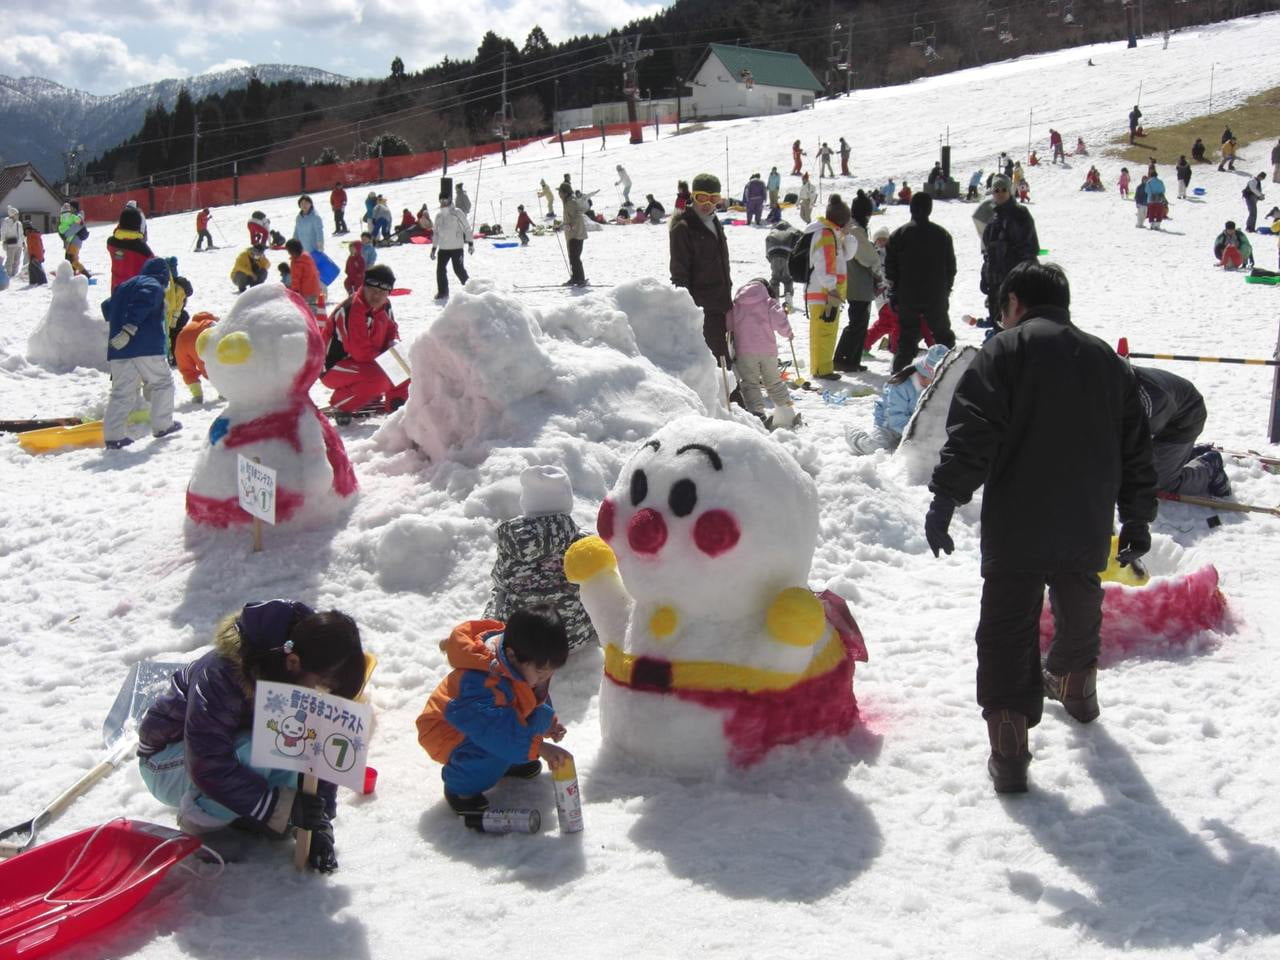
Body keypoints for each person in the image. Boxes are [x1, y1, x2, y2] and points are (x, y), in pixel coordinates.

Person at [925, 261, 1157, 794]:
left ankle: (1009, 746)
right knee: (1079, 599)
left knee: (1008, 624)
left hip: (1018, 520)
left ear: (1014, 304)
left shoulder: (1004, 351)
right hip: (1086, 517)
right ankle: (1078, 690)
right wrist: (1138, 515)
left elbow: (973, 433)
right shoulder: (1107, 360)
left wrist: (945, 497)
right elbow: (1135, 449)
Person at [138, 600, 364, 871]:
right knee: (260, 744)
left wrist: (319, 822)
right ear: (293, 662)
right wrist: (284, 808)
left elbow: (321, 749)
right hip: (169, 760)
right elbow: (207, 763)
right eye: (319, 690)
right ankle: (202, 824)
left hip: (222, 756)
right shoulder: (221, 674)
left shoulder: (301, 664)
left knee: (292, 741)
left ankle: (249, 813)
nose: (319, 700)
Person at [415, 605, 571, 818]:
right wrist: (539, 747)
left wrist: (549, 724)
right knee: (494, 748)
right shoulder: (480, 682)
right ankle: (460, 787)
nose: (544, 678)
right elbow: (494, 729)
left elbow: (530, 702)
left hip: (493, 723)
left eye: (550, 673)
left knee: (532, 723)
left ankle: (508, 762)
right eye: (541, 672)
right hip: (450, 732)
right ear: (512, 656)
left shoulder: (521, 661)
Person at [484, 465, 598, 652]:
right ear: (567, 502)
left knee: (499, 591)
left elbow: (500, 582)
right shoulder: (583, 542)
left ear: (526, 503)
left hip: (521, 640)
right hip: (573, 638)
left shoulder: (511, 543)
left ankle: (490, 634)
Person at [101, 257, 180, 449]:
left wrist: (120, 324)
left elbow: (106, 307)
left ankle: (113, 436)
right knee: (162, 383)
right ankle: (162, 425)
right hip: (146, 346)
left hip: (120, 348)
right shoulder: (153, 284)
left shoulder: (124, 286)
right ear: (164, 275)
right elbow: (145, 299)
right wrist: (130, 327)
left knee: (121, 392)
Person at [321, 263, 410, 416]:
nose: (377, 296)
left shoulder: (385, 305)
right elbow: (360, 352)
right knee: (380, 377)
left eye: (382, 292)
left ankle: (396, 402)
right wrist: (386, 361)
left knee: (403, 365)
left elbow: (392, 330)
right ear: (364, 286)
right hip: (332, 367)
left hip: (363, 361)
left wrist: (394, 347)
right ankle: (341, 401)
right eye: (373, 290)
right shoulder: (352, 309)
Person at [884, 192, 957, 374]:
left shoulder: (898, 235)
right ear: (930, 209)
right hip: (936, 294)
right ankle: (950, 372)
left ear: (911, 208)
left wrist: (895, 292)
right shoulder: (942, 235)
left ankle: (899, 377)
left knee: (907, 339)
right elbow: (951, 268)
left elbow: (890, 269)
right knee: (943, 336)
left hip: (907, 294)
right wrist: (946, 289)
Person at [669, 173, 734, 367]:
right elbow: (679, 274)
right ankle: (730, 396)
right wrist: (687, 310)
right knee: (717, 360)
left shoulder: (714, 222)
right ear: (693, 197)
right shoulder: (683, 227)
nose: (708, 204)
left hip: (721, 302)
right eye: (702, 197)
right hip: (702, 306)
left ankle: (728, 394)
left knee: (724, 354)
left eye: (713, 199)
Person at [1134, 366, 1230, 497]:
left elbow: (1133, 451)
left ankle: (1210, 467)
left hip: (1186, 416)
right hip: (1168, 410)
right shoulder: (1108, 380)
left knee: (1159, 484)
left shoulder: (1148, 397)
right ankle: (1184, 456)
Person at [847, 343, 950, 454]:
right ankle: (854, 434)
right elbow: (895, 418)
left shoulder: (936, 385)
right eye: (935, 379)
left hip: (915, 427)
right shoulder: (901, 386)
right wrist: (916, 434)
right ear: (925, 374)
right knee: (874, 447)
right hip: (890, 424)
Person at [726, 279, 797, 429]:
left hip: (745, 353)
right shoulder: (768, 303)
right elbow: (780, 319)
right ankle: (787, 412)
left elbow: (728, 324)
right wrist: (788, 333)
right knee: (774, 382)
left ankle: (758, 414)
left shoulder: (737, 306)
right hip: (768, 352)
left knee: (750, 384)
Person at [802, 194, 853, 381]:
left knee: (827, 331)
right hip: (824, 292)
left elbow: (846, 256)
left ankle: (822, 366)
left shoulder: (832, 233)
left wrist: (846, 235)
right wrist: (831, 287)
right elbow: (825, 263)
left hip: (827, 291)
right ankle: (821, 369)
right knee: (823, 332)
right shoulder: (825, 234)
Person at [980, 174, 1039, 327]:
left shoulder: (1021, 214)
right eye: (996, 190)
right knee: (997, 322)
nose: (1000, 193)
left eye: (1003, 190)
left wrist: (1021, 274)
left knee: (1017, 323)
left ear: (1010, 191)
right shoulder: (991, 216)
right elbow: (986, 250)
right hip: (995, 281)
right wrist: (985, 274)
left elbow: (1031, 248)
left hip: (1016, 281)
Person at [835, 193, 880, 372]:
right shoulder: (855, 230)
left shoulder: (851, 227)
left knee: (859, 322)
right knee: (857, 322)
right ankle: (843, 358)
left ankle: (851, 359)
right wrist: (878, 270)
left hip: (855, 281)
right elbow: (868, 257)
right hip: (858, 282)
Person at [432, 182, 473, 301]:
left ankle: (470, 289)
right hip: (443, 248)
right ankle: (442, 292)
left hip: (456, 247)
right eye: (441, 201)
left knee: (458, 269)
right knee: (440, 270)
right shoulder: (438, 216)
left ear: (450, 199)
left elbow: (467, 228)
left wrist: (470, 243)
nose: (443, 202)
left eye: (445, 200)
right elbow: (436, 233)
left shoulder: (457, 213)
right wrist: (434, 248)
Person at [174, 311, 218, 404]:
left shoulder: (190, 325)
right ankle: (223, 391)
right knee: (212, 365)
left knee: (187, 370)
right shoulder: (210, 323)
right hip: (200, 339)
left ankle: (197, 394)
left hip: (181, 339)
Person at [106, 205, 153, 291]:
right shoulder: (142, 249)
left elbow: (117, 234)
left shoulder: (111, 243)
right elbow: (155, 265)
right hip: (135, 294)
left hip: (116, 292)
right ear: (137, 225)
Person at [765, 219, 802, 310]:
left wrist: (771, 260)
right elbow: (801, 238)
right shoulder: (793, 231)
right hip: (787, 256)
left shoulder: (772, 232)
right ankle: (788, 302)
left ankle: (775, 301)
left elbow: (767, 245)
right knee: (788, 279)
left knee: (775, 279)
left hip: (773, 255)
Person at [285, 239, 325, 316]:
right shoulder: (307, 257)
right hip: (314, 288)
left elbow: (296, 278)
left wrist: (295, 291)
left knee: (307, 313)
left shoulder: (297, 262)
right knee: (313, 310)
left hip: (305, 291)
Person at [559, 182, 588, 287]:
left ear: (565, 193)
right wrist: (562, 225)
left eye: (560, 193)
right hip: (573, 233)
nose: (559, 195)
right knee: (573, 257)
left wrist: (570, 226)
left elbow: (576, 217)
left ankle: (580, 278)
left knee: (575, 257)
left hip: (576, 233)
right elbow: (569, 218)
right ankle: (575, 277)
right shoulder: (568, 201)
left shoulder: (571, 202)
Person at [57, 201, 90, 277]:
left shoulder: (77, 217)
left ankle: (86, 275)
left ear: (74, 208)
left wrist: (65, 234)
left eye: (71, 207)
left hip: (75, 242)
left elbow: (75, 229)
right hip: (71, 242)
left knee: (72, 260)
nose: (69, 209)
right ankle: (72, 274)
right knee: (69, 259)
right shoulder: (70, 216)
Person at [1, 206, 23, 278]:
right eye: (16, 214)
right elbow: (3, 232)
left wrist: (23, 243)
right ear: (12, 215)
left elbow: (21, 234)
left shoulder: (19, 223)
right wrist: (3, 241)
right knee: (10, 261)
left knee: (17, 261)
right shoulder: (6, 222)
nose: (18, 216)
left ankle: (14, 275)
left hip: (19, 244)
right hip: (11, 244)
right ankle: (8, 275)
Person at [24, 221, 46, 286]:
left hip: (35, 256)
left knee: (39, 270)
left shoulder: (32, 236)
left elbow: (37, 247)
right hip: (34, 256)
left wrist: (34, 256)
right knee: (31, 269)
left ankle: (43, 283)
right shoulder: (31, 235)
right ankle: (33, 283)